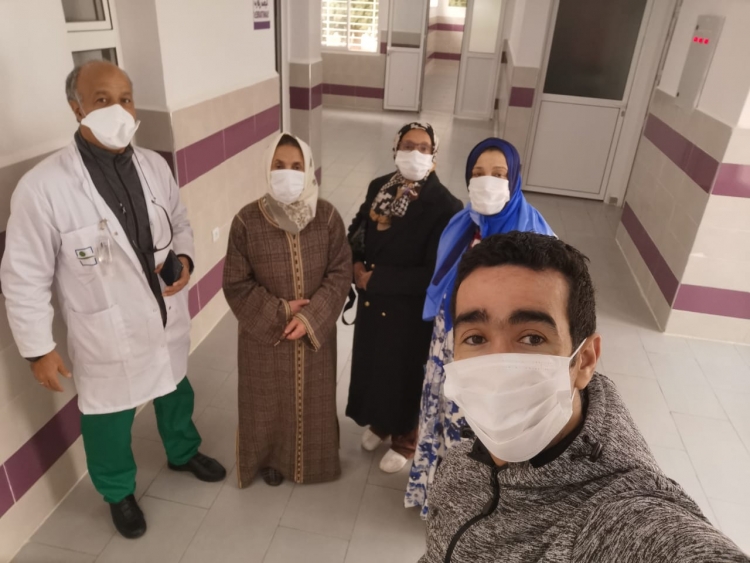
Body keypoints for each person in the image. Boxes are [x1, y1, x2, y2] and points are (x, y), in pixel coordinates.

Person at [420, 232, 749, 563]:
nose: (497, 369)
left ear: (585, 360)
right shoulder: (462, 458)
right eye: (475, 338)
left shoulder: (618, 515)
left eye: (532, 338)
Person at [0, 60, 226, 540]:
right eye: (102, 100)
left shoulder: (153, 166)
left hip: (163, 314)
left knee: (175, 387)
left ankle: (183, 451)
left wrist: (185, 259)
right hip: (106, 331)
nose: (118, 110)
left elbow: (179, 220)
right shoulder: (43, 188)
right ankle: (118, 491)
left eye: (125, 99)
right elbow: (23, 276)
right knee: (107, 417)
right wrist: (38, 349)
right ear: (76, 107)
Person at [406, 138, 554, 517]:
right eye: (478, 173)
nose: (487, 182)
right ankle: (437, 499)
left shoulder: (535, 236)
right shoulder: (461, 225)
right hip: (449, 342)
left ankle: (474, 512)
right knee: (444, 415)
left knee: (479, 430)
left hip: (498, 357)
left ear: (514, 179)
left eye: (499, 174)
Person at [222, 133, 351, 488]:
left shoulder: (327, 217)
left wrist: (309, 317)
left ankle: (313, 463)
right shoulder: (247, 221)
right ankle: (271, 460)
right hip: (265, 336)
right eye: (279, 166)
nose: (287, 174)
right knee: (267, 402)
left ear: (308, 170)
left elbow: (340, 273)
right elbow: (236, 283)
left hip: (314, 334)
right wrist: (279, 312)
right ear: (267, 168)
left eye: (296, 166)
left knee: (314, 399)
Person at [345, 122, 463, 473]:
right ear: (395, 148)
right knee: (375, 364)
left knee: (403, 371)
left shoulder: (445, 205)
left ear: (434, 155)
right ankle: (381, 422)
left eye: (424, 148)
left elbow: (435, 272)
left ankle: (406, 437)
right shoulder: (380, 186)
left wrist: (378, 279)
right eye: (408, 145)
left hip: (408, 308)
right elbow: (359, 228)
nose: (415, 153)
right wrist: (355, 262)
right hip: (373, 300)